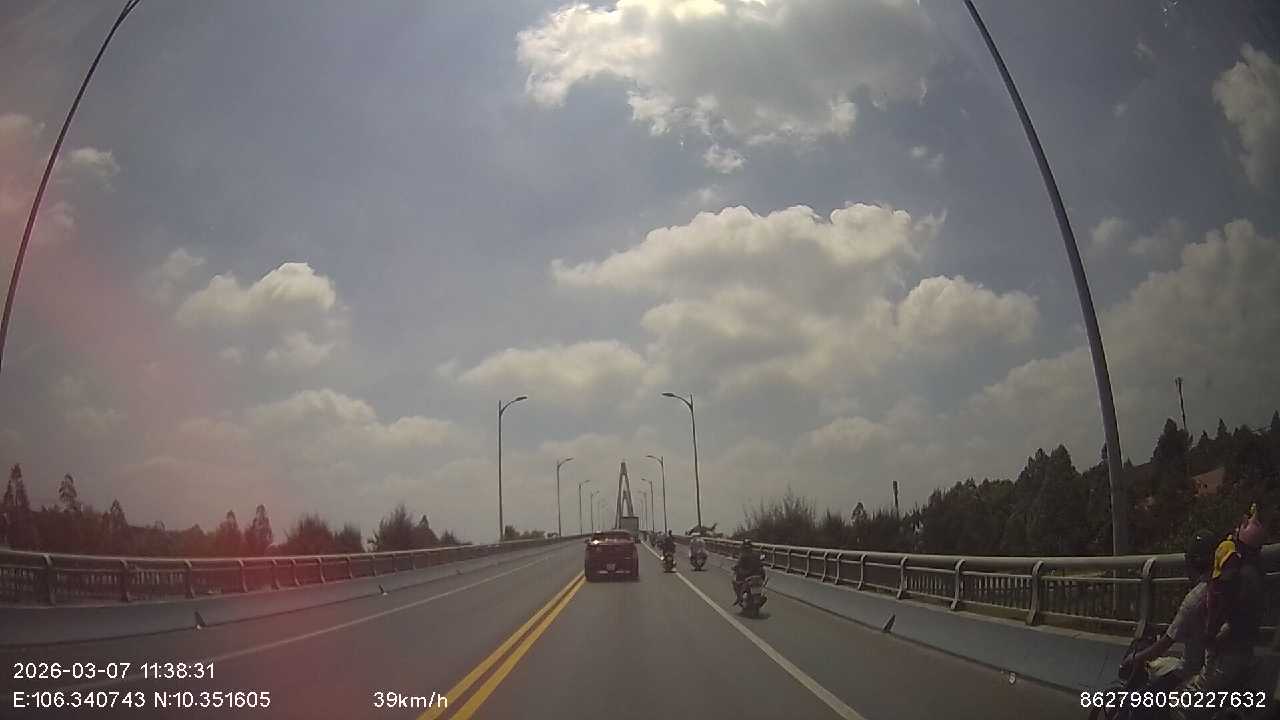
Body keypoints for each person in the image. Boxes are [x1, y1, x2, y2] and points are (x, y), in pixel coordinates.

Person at [1175, 505, 1267, 719]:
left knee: (1180, 702)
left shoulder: (1235, 581)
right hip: (1244, 655)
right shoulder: (1254, 573)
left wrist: (1211, 635)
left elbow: (1228, 617)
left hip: (1226, 657)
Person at [1121, 529, 1216, 681]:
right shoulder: (1225, 588)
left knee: (1140, 691)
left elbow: (1162, 646)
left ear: (1191, 563)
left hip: (1191, 674)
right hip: (1215, 669)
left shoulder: (1195, 599)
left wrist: (1133, 659)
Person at [732, 539, 764, 606]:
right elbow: (761, 565)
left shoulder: (743, 555)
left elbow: (738, 564)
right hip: (757, 576)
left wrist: (735, 568)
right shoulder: (756, 554)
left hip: (747, 576)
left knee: (735, 582)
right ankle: (741, 597)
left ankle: (739, 597)